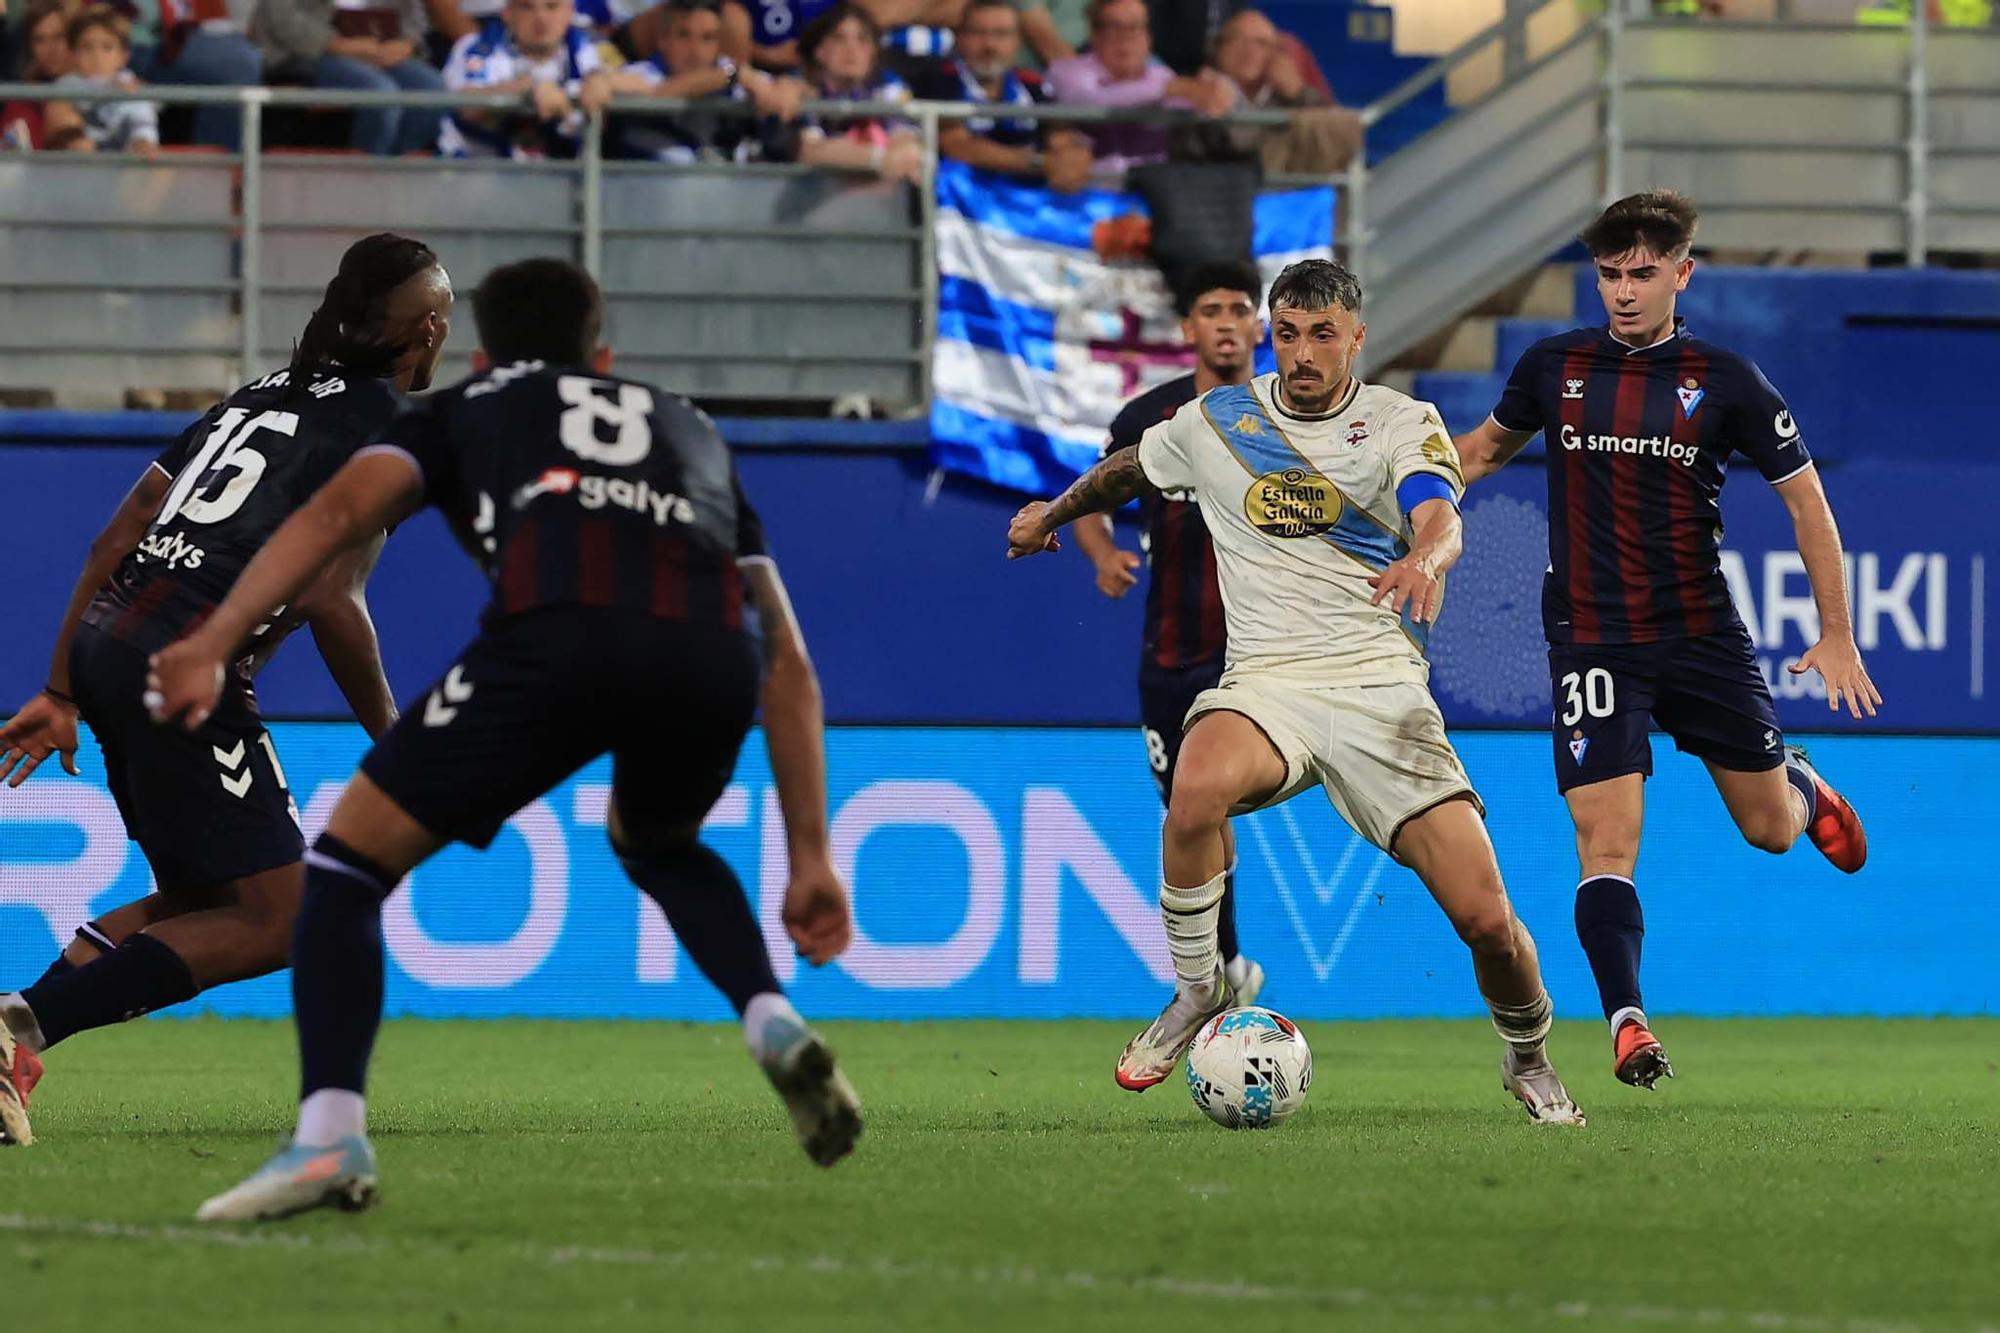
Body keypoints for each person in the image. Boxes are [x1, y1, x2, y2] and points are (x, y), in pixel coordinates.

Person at [147, 257, 861, 1220]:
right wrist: (810, 854)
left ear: (481, 352)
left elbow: (338, 513)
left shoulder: (463, 407)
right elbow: (789, 657)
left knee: (348, 871)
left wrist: (214, 638)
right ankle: (770, 1017)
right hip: (709, 654)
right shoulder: (689, 426)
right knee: (658, 840)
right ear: (602, 355)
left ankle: (327, 1139)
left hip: (557, 637)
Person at [1005, 258, 1585, 1125]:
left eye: (1322, 335)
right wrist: (1052, 513)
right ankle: (1199, 987)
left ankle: (1528, 1054)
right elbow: (1132, 465)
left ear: (1357, 336)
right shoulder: (1219, 421)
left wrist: (1427, 555)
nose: (1302, 353)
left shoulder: (1398, 420)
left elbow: (1437, 507)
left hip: (1381, 693)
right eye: (1288, 335)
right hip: (1268, 682)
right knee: (1194, 791)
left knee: (1489, 923)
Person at [0, 234, 451, 1148]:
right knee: (282, 920)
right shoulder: (388, 432)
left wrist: (61, 685)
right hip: (182, 665)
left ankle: (15, 1032)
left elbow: (118, 534)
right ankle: (18, 1029)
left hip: (109, 642)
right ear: (430, 331)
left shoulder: (253, 399)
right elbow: (335, 598)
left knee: (204, 899)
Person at [1453, 191, 1876, 1090]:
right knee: (1605, 837)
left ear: (1683, 273)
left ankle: (1797, 780)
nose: (1625, 291)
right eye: (1610, 274)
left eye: (1644, 273)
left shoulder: (1728, 381)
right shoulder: (1552, 364)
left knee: (1768, 830)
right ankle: (1628, 1021)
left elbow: (1808, 503)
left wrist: (1835, 632)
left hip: (1700, 633)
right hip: (1591, 636)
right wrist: (1408, 505)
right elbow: (1482, 451)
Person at [1068, 259, 1267, 1007]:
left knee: (1204, 801)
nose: (1224, 321)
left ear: (1257, 327)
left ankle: (1215, 974)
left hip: (1252, 656)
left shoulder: (1285, 417)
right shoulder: (1147, 420)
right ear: (1188, 329)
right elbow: (1090, 496)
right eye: (1210, 308)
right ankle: (1227, 968)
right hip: (1168, 655)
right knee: (1188, 811)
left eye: (1238, 308)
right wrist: (1101, 554)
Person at [1042, 0, 1232, 182]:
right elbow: (1087, 101)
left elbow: (1195, 100)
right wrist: (1168, 90)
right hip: (1092, 193)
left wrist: (1213, 90)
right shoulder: (1067, 70)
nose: (1125, 38)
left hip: (1152, 193)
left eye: (1135, 27)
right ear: (1095, 35)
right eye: (1114, 27)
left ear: (1148, 37)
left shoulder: (1161, 75)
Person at [911, 0, 1091, 191]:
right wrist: (1038, 163)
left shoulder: (1034, 86)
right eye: (978, 33)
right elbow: (957, 146)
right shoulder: (938, 82)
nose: (990, 45)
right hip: (962, 202)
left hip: (1026, 200)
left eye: (1001, 34)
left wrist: (1070, 157)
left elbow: (1060, 138)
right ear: (960, 38)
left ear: (1017, 41)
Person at [606, 0, 802, 163]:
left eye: (707, 38)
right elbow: (659, 91)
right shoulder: (640, 73)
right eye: (684, 35)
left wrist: (788, 87)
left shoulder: (733, 72)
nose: (695, 50)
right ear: (663, 40)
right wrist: (731, 76)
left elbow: (786, 89)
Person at [249, 0, 446, 156]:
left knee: (432, 90)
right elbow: (281, 17)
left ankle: (395, 169)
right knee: (380, 94)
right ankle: (363, 178)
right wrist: (336, 44)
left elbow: (415, 17)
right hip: (310, 53)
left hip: (382, 49)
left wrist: (408, 43)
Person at [438, 0, 612, 159]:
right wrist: (528, 91)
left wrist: (604, 81)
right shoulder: (478, 46)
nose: (541, 18)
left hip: (565, 177)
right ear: (507, 13)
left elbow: (636, 79)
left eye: (552, 6)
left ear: (569, 12)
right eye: (526, 7)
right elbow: (466, 106)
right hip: (476, 172)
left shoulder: (589, 48)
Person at [793, 3, 921, 182]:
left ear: (873, 52)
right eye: (839, 38)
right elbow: (811, 152)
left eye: (862, 39)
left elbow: (905, 140)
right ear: (819, 51)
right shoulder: (801, 85)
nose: (852, 49)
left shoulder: (888, 83)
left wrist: (902, 155)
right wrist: (877, 159)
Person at [44, 6, 159, 155]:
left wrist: (142, 142)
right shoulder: (66, 84)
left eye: (107, 47)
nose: (96, 56)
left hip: (125, 165)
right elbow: (63, 123)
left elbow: (142, 122)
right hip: (81, 165)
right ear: (72, 53)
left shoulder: (130, 84)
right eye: (86, 47)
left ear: (123, 56)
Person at [2, 0, 78, 150]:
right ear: (30, 48)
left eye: (59, 36)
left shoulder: (108, 84)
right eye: (40, 40)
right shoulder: (22, 100)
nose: (51, 49)